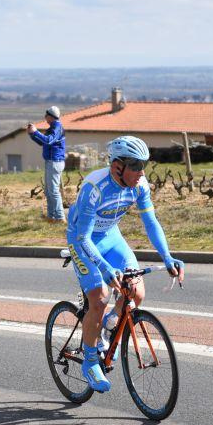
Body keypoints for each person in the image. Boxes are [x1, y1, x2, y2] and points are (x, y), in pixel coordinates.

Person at [66, 135, 184, 393]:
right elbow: (84, 237)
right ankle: (89, 361)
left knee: (136, 292)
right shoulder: (94, 188)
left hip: (110, 237)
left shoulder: (140, 186)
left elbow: (151, 223)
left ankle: (108, 326)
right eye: (135, 166)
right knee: (99, 297)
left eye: (144, 165)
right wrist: (106, 269)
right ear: (117, 166)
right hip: (82, 240)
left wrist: (167, 256)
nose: (141, 172)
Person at [26, 105, 66, 222]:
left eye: (46, 115)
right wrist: (32, 134)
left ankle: (59, 217)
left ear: (50, 116)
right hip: (51, 162)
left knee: (53, 191)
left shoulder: (57, 127)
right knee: (49, 191)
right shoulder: (53, 127)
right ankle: (51, 216)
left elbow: (49, 140)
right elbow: (43, 143)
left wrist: (36, 131)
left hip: (55, 162)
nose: (44, 117)